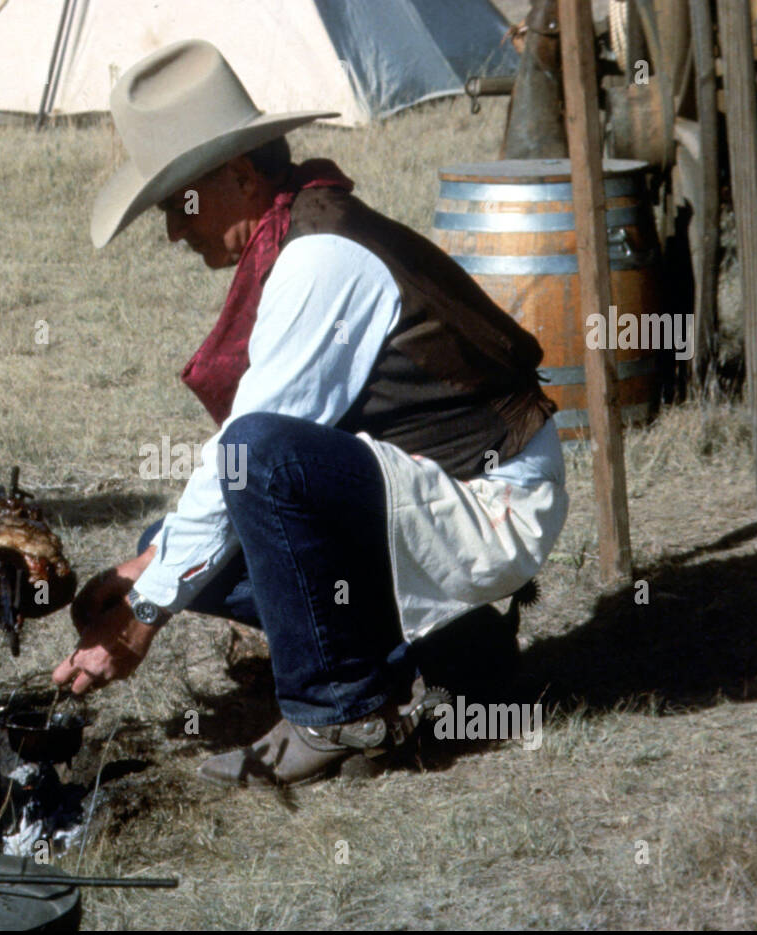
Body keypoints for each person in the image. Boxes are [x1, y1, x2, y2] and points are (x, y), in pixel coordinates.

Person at [51, 39, 569, 788]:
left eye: (178, 204)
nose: (173, 230)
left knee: (259, 460)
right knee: (168, 546)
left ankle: (339, 711)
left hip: (488, 501)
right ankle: (454, 647)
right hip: (434, 486)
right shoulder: (298, 230)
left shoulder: (318, 258)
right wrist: (146, 570)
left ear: (240, 175)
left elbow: (247, 456)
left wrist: (140, 619)